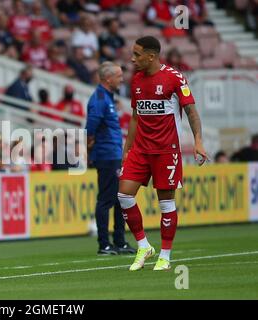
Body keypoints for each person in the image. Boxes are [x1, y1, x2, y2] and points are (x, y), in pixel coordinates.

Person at [119, 36, 208, 271]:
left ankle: (165, 256)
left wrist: (198, 141)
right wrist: (127, 148)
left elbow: (191, 111)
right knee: (124, 196)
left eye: (137, 55)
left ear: (151, 56)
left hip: (166, 151)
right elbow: (136, 117)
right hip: (140, 149)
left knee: (166, 203)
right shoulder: (136, 80)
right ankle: (144, 246)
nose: (132, 58)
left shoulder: (174, 78)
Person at [86, 62, 135, 256]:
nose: (122, 79)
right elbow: (90, 129)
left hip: (114, 154)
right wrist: (90, 148)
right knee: (106, 199)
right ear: (108, 78)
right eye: (119, 76)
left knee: (119, 198)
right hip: (106, 156)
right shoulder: (99, 99)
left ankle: (120, 241)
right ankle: (104, 244)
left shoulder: (106, 98)